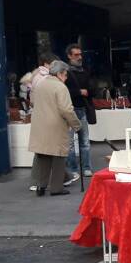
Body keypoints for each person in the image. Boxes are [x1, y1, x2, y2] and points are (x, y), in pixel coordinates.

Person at [28, 60, 82, 196]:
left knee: (43, 156)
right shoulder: (60, 87)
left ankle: (41, 186)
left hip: (40, 125)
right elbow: (67, 110)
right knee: (58, 157)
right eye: (65, 75)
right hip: (55, 126)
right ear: (59, 74)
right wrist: (76, 125)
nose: (66, 78)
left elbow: (33, 102)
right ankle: (56, 188)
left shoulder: (41, 84)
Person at [65, 44, 94, 183]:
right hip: (70, 109)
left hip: (82, 108)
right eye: (76, 55)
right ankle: (73, 169)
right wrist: (79, 92)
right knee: (70, 142)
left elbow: (90, 89)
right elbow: (62, 91)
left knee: (85, 141)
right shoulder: (65, 72)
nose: (79, 57)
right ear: (69, 56)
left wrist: (88, 92)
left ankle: (86, 167)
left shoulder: (85, 71)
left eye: (80, 54)